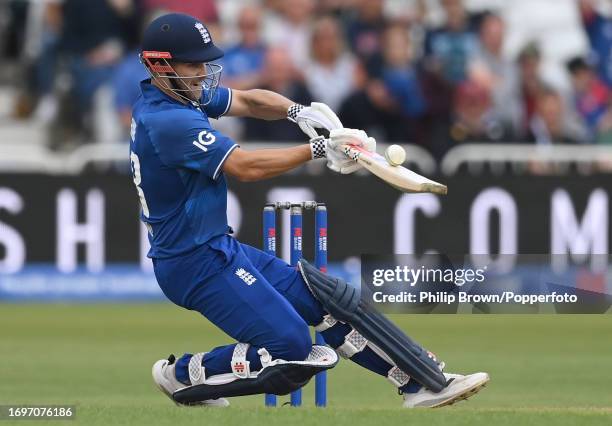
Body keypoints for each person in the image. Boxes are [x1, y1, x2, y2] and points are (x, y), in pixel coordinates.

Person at [131, 13, 489, 408]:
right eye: (193, 64)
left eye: (204, 62)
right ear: (161, 65)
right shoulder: (167, 120)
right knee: (291, 348)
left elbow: (249, 100)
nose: (203, 72)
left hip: (216, 247)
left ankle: (421, 382)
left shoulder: (181, 96)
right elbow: (244, 167)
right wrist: (318, 150)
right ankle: (183, 374)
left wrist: (299, 112)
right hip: (191, 261)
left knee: (328, 299)